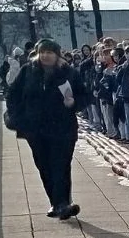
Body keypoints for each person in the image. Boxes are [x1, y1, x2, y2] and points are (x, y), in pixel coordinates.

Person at [6, 39, 90, 220]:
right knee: (44, 166)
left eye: (49, 52)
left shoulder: (68, 72)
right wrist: (16, 116)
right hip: (36, 129)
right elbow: (12, 94)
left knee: (60, 165)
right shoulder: (27, 71)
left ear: (57, 54)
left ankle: (62, 204)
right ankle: (57, 203)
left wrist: (74, 103)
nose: (45, 55)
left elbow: (84, 94)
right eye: (42, 52)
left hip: (63, 128)